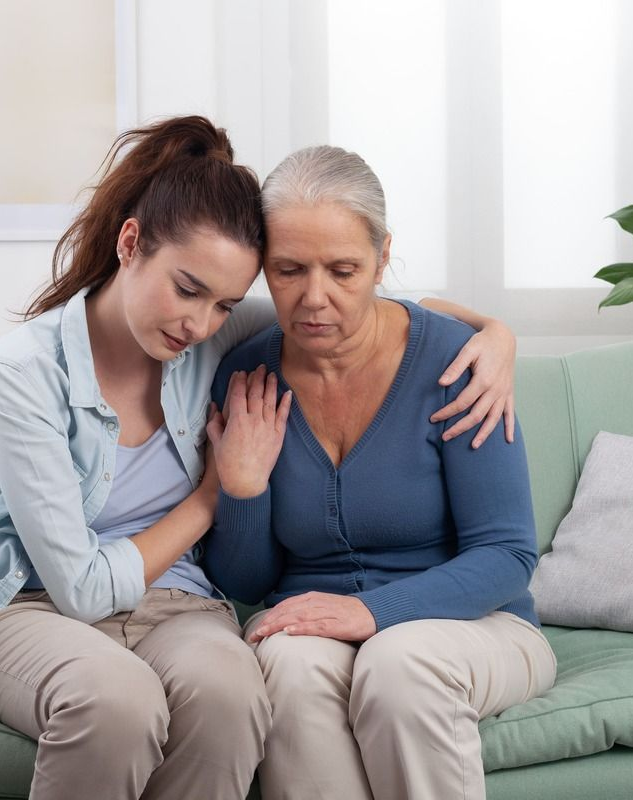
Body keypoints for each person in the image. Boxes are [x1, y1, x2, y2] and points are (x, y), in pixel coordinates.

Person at [0, 116, 521, 800]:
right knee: (150, 697)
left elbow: (375, 310)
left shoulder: (226, 339)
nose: (198, 321)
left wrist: (494, 332)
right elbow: (96, 588)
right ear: (129, 243)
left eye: (223, 303)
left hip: (184, 607)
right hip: (44, 601)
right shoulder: (45, 369)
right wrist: (223, 491)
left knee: (245, 693)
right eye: (188, 289)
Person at [204, 145, 557, 800]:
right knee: (283, 663)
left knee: (399, 665)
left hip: (478, 628)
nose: (316, 298)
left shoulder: (456, 364)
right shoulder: (245, 376)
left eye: (343, 270)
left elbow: (507, 555)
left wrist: (367, 611)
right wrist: (243, 488)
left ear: (381, 257)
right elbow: (244, 581)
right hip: (311, 627)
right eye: (287, 270)